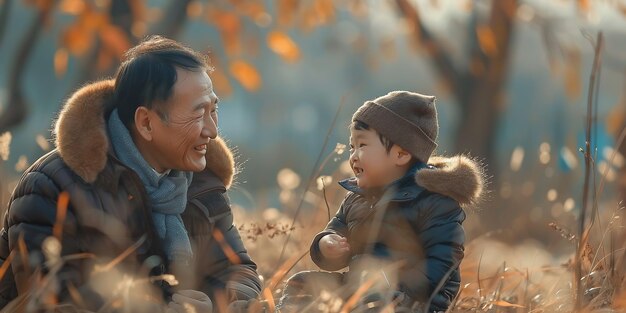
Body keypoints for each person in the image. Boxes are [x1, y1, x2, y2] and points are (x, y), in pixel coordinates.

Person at [0, 36, 261, 312]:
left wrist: (217, 306)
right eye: (198, 114)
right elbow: (49, 303)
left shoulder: (203, 181)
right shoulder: (52, 186)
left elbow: (238, 270)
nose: (212, 130)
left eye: (213, 109)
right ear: (146, 123)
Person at [278, 91, 485, 313]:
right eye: (352, 146)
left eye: (363, 145)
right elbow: (336, 231)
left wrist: (397, 289)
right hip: (361, 287)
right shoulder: (356, 197)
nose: (354, 155)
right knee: (301, 284)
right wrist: (327, 245)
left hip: (415, 301)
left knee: (373, 300)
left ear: (401, 155)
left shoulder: (435, 201)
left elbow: (442, 265)